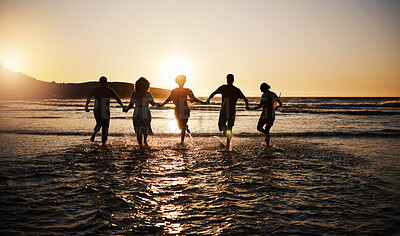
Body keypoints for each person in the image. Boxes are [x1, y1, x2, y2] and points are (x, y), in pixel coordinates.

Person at [206, 74, 250, 147]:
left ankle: (228, 143)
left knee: (221, 126)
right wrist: (247, 106)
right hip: (231, 111)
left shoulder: (224, 88)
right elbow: (245, 99)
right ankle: (228, 144)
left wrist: (208, 99)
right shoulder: (236, 90)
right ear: (233, 80)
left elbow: (214, 93)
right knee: (229, 128)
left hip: (224, 110)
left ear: (227, 79)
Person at [160, 74, 206, 143]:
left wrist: (162, 104)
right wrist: (203, 102)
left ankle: (182, 141)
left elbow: (169, 99)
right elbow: (194, 99)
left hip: (179, 109)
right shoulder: (185, 90)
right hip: (184, 109)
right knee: (182, 126)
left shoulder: (177, 90)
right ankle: (183, 138)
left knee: (181, 126)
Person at [85, 76, 125, 146]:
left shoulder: (95, 90)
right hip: (105, 110)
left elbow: (89, 97)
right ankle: (103, 143)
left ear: (99, 82)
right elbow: (117, 99)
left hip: (97, 110)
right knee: (105, 127)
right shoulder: (109, 90)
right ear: (106, 83)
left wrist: (86, 106)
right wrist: (122, 106)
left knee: (98, 123)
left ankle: (94, 133)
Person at [123, 77, 160, 148]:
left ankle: (140, 145)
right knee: (146, 128)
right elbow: (152, 103)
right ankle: (145, 141)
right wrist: (158, 105)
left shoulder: (134, 94)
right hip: (145, 112)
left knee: (138, 129)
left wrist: (126, 109)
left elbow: (131, 104)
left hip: (137, 112)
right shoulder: (148, 94)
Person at [251, 82, 282, 147]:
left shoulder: (264, 95)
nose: (260, 90)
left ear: (264, 88)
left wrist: (252, 108)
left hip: (265, 114)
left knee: (259, 127)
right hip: (272, 114)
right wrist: (275, 107)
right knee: (267, 129)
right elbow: (280, 104)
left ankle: (267, 135)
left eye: (261, 88)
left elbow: (260, 106)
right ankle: (267, 143)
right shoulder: (274, 94)